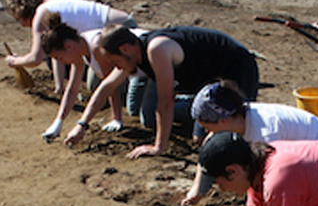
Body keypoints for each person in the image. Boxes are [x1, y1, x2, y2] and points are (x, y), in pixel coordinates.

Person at [62, 25, 259, 159]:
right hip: (206, 83)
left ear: (125, 49)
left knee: (235, 133)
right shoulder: (135, 56)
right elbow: (106, 87)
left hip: (236, 69)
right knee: (202, 139)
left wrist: (158, 148)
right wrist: (82, 125)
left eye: (115, 62)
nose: (116, 68)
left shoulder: (156, 49)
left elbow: (166, 102)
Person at [182, 79, 318, 206]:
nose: (206, 133)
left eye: (206, 127)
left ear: (223, 121)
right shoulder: (239, 119)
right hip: (307, 162)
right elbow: (209, 147)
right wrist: (198, 189)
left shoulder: (266, 133)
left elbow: (276, 182)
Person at [4, 0, 134, 116]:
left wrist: (15, 61)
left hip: (120, 30)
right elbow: (57, 53)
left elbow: (36, 58)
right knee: (94, 84)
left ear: (23, 13)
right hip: (105, 35)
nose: (22, 25)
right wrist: (59, 85)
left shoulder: (42, 15)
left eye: (19, 19)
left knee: (114, 85)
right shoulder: (50, 10)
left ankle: (122, 107)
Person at [38, 16, 147, 142]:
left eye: (61, 58)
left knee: (139, 112)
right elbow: (72, 89)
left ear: (68, 46)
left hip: (144, 63)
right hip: (131, 70)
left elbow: (110, 85)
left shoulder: (97, 47)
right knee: (96, 86)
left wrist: (116, 119)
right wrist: (58, 122)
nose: (64, 62)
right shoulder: (79, 50)